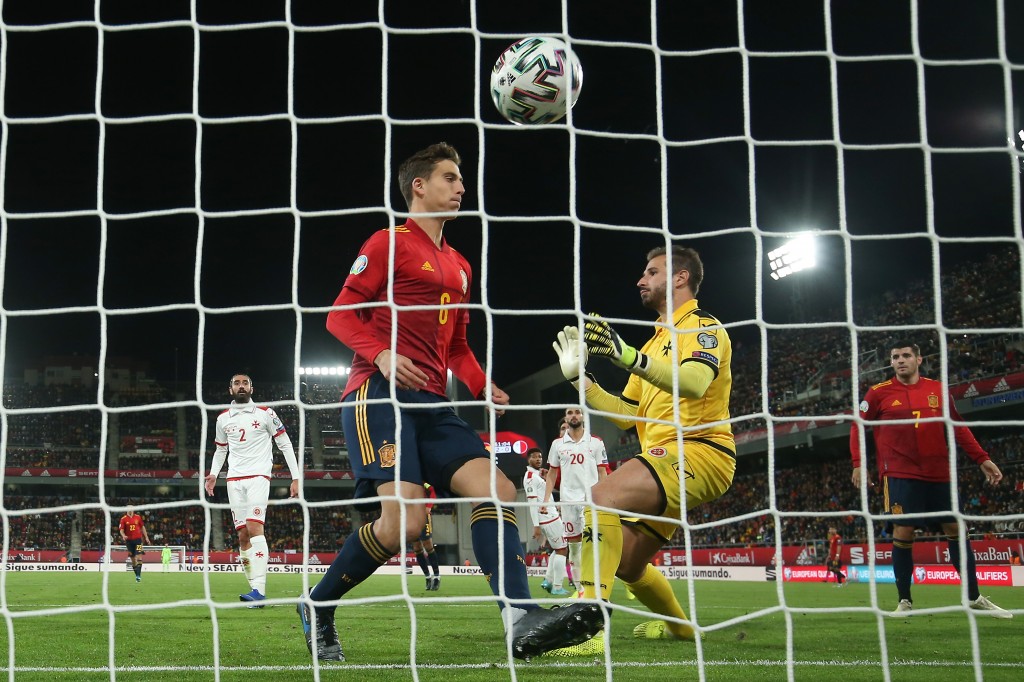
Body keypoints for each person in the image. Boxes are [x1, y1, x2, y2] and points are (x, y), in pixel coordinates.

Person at [300, 142, 602, 662]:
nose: (461, 186)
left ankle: (519, 617)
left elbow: (457, 346)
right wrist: (383, 354)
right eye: (449, 177)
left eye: (461, 178)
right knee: (408, 526)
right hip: (377, 395)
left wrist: (482, 385)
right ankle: (318, 604)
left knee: (499, 488)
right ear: (419, 186)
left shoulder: (460, 265)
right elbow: (339, 316)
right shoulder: (387, 242)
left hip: (434, 404)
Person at [550, 245, 736, 652]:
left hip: (701, 450)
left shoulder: (704, 328)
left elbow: (693, 383)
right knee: (631, 565)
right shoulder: (653, 345)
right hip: (669, 457)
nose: (640, 280)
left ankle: (587, 625)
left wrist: (626, 356)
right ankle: (683, 629)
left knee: (601, 497)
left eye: (651, 272)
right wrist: (580, 381)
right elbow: (625, 414)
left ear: (681, 278)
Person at [850, 342, 1012, 618]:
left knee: (956, 530)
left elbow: (958, 428)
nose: (900, 360)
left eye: (906, 356)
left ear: (919, 359)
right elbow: (857, 426)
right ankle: (904, 601)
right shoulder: (878, 393)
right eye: (895, 357)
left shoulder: (938, 389)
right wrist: (858, 464)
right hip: (899, 473)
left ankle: (973, 597)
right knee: (904, 531)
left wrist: (982, 458)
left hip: (940, 473)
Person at [205, 373, 301, 608]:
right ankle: (253, 588)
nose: (241, 386)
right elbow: (221, 450)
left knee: (255, 527)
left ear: (251, 388)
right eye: (236, 383)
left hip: (259, 476)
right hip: (234, 480)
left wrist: (296, 477)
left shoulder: (266, 414)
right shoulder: (222, 419)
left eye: (244, 383)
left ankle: (259, 590)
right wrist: (213, 474)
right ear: (230, 390)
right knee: (242, 535)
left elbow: (285, 444)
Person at [542, 407, 608, 595]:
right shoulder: (558, 444)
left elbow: (603, 471)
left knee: (594, 544)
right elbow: (552, 473)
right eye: (570, 413)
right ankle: (580, 590)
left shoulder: (596, 442)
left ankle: (596, 583)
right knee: (574, 546)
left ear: (583, 416)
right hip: (568, 501)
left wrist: (604, 498)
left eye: (577, 412)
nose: (574, 415)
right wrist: (546, 501)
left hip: (591, 501)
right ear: (565, 417)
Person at [523, 446, 571, 596]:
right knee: (563, 550)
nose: (538, 459)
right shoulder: (530, 477)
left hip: (551, 516)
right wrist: (536, 526)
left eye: (540, 457)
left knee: (558, 550)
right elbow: (532, 504)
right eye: (534, 457)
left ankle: (548, 581)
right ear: (528, 459)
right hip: (547, 518)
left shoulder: (537, 475)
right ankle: (556, 586)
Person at [411, 484, 441, 591]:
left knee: (428, 545)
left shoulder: (421, 480)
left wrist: (429, 506)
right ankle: (427, 577)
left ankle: (437, 577)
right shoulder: (403, 480)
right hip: (411, 516)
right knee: (417, 548)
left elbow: (432, 491)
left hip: (423, 515)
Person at [119, 505, 151, 583]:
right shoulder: (123, 519)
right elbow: (121, 530)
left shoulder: (138, 517)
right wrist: (123, 535)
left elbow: (143, 527)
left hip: (138, 540)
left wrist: (146, 537)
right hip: (129, 542)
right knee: (133, 559)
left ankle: (138, 576)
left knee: (139, 556)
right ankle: (137, 575)